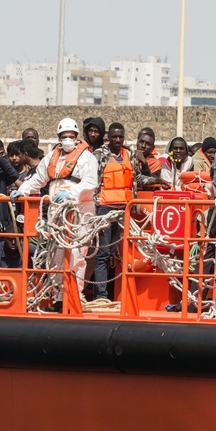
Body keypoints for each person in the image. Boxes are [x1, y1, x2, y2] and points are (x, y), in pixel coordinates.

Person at [13, 118, 99, 301]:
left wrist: (71, 194)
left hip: (80, 211)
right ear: (59, 137)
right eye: (64, 136)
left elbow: (90, 182)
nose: (68, 139)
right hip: (57, 211)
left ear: (76, 137)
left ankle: (74, 296)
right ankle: (58, 297)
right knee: (55, 255)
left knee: (76, 254)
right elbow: (38, 179)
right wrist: (21, 191)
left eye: (71, 136)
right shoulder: (52, 157)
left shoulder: (86, 157)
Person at [92, 122, 133, 300]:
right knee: (102, 253)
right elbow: (92, 179)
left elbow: (136, 177)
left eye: (120, 137)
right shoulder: (99, 155)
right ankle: (101, 296)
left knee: (113, 255)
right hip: (104, 209)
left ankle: (109, 293)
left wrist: (157, 180)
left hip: (123, 209)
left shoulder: (129, 154)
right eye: (114, 136)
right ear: (109, 137)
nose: (118, 140)